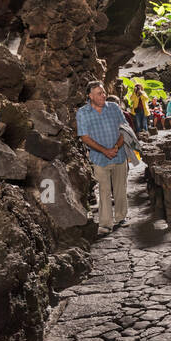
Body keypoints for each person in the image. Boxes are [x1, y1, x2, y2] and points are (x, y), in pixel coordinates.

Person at [75, 81, 130, 233]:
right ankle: (106, 224)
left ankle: (121, 217)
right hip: (99, 158)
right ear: (90, 96)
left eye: (104, 92)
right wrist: (105, 151)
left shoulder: (114, 108)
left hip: (119, 155)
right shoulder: (83, 113)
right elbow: (84, 137)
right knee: (104, 191)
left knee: (120, 188)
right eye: (99, 93)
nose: (104, 95)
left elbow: (124, 129)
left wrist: (116, 147)